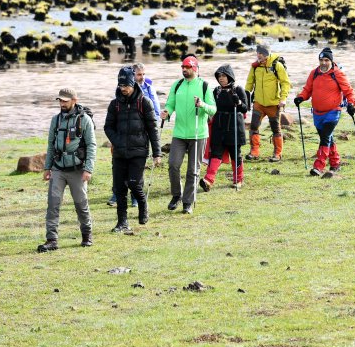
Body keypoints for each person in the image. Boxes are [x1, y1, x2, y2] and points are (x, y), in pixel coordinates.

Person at [39, 88, 96, 252]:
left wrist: (88, 169)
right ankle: (51, 240)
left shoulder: (84, 120)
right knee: (53, 204)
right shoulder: (55, 120)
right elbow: (50, 145)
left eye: (65, 100)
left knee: (81, 204)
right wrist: (47, 167)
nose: (62, 103)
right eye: (60, 100)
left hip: (78, 170)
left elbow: (92, 145)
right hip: (58, 169)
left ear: (74, 100)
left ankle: (87, 235)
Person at [104, 67, 160, 234]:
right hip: (120, 153)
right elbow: (108, 127)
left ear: (133, 83)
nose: (123, 89)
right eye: (120, 85)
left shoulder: (144, 102)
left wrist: (157, 153)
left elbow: (152, 129)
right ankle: (122, 222)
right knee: (120, 188)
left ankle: (142, 204)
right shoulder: (115, 104)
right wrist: (118, 141)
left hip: (139, 152)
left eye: (126, 85)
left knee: (135, 183)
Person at [162, 55, 216, 214]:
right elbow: (170, 103)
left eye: (187, 67)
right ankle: (176, 195)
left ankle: (188, 202)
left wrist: (202, 104)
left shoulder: (204, 86)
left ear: (195, 68)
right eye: (183, 67)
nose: (184, 69)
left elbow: (213, 109)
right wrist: (167, 112)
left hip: (198, 134)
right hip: (179, 133)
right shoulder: (177, 85)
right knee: (173, 164)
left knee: (193, 170)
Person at [295, 48, 355, 174]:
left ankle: (319, 166)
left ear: (331, 61)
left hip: (333, 112)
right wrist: (301, 97)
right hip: (317, 113)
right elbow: (307, 89)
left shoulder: (337, 74)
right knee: (328, 137)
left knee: (324, 138)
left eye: (326, 60)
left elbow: (349, 91)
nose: (323, 63)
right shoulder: (314, 73)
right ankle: (335, 163)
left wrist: (351, 104)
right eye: (321, 60)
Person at [203, 64, 249, 190]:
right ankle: (208, 180)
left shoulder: (238, 90)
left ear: (229, 76)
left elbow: (245, 108)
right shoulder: (216, 91)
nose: (221, 78)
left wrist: (238, 102)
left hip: (234, 126)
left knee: (236, 154)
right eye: (219, 76)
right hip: (219, 126)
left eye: (223, 76)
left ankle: (238, 179)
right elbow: (211, 107)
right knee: (216, 153)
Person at [245, 44, 291, 162]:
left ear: (267, 54)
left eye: (261, 53)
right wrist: (245, 94)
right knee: (254, 126)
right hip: (258, 103)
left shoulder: (277, 66)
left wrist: (283, 99)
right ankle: (254, 152)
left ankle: (277, 154)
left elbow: (285, 83)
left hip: (273, 104)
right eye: (258, 53)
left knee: (276, 129)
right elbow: (249, 82)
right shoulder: (255, 67)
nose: (259, 55)